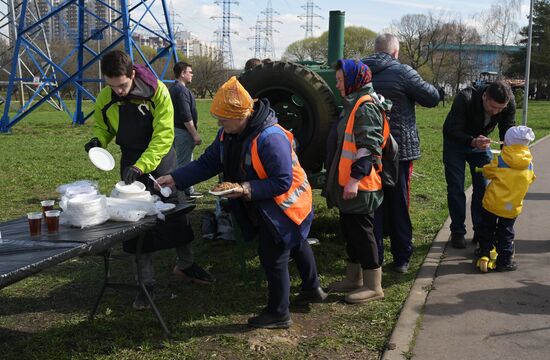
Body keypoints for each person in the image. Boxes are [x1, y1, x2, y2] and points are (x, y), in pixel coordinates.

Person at [156, 76, 326, 329]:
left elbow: (281, 181)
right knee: (298, 244)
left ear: (242, 114)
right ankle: (312, 290)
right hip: (269, 202)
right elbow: (208, 163)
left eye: (223, 119)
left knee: (273, 256)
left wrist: (246, 188)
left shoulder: (270, 138)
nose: (219, 124)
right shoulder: (229, 134)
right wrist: (175, 178)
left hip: (287, 205)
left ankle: (279, 313)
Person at [84, 50, 214, 310]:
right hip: (129, 161)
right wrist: (98, 140)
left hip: (162, 158)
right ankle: (146, 283)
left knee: (177, 211)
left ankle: (186, 264)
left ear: (132, 74)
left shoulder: (158, 93)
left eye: (122, 85)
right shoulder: (106, 96)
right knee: (135, 221)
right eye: (112, 86)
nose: (118, 91)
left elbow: (164, 136)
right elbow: (103, 125)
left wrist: (143, 166)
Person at [363, 33, 440, 273]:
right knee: (399, 204)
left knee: (372, 206)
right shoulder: (403, 72)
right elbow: (432, 97)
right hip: (398, 150)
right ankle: (401, 258)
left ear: (375, 50)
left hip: (366, 150)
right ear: (395, 52)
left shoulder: (359, 71)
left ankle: (374, 259)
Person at [325, 59, 389, 304]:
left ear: (353, 80)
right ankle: (355, 279)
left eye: (341, 80)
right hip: (350, 183)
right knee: (351, 231)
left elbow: (369, 147)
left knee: (363, 233)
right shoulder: (353, 103)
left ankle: (374, 286)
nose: (338, 85)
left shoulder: (365, 106)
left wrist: (354, 179)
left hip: (362, 184)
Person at [443, 80, 516, 249]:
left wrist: (510, 150)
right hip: (456, 143)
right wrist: (472, 141)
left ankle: (481, 230)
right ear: (484, 96)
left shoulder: (508, 101)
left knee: (484, 187)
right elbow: (452, 130)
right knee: (456, 188)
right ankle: (458, 231)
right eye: (492, 107)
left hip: (481, 143)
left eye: (500, 109)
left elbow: (507, 127)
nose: (495, 112)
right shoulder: (465, 97)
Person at [475, 126, 535, 272]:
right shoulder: (529, 164)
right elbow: (531, 179)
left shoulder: (501, 159)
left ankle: (484, 252)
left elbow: (488, 172)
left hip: (493, 204)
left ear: (507, 142)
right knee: (506, 232)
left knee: (487, 228)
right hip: (512, 206)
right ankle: (505, 261)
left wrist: (484, 169)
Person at [170, 61, 203, 199]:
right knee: (183, 164)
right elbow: (185, 115)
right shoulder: (181, 91)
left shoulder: (173, 88)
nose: (192, 74)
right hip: (183, 132)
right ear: (183, 73)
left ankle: (188, 190)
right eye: (190, 72)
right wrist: (194, 134)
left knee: (185, 160)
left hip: (176, 130)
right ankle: (180, 193)